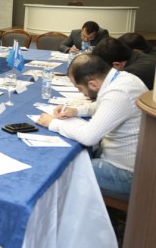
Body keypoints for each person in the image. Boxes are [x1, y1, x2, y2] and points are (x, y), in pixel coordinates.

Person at [37, 54, 147, 194]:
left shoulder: (118, 93)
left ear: (93, 84)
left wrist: (52, 123)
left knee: (58, 172)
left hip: (127, 173)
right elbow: (103, 105)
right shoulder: (122, 78)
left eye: (79, 88)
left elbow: (88, 137)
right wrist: (76, 111)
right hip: (131, 161)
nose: (80, 92)